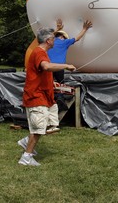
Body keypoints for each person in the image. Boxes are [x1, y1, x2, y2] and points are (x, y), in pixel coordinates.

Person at [18, 28, 76, 166]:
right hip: (36, 96)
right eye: (53, 39)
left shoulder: (43, 52)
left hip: (46, 96)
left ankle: (27, 141)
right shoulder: (39, 53)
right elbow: (46, 67)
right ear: (48, 40)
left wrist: (52, 83)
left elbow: (43, 73)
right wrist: (66, 66)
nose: (55, 41)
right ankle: (26, 157)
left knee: (51, 123)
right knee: (38, 128)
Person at [48, 19, 92, 111]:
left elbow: (47, 37)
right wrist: (84, 28)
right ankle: (60, 98)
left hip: (49, 66)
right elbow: (77, 38)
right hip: (59, 66)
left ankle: (50, 99)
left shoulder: (50, 42)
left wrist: (57, 28)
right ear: (62, 37)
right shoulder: (64, 42)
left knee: (49, 83)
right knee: (60, 83)